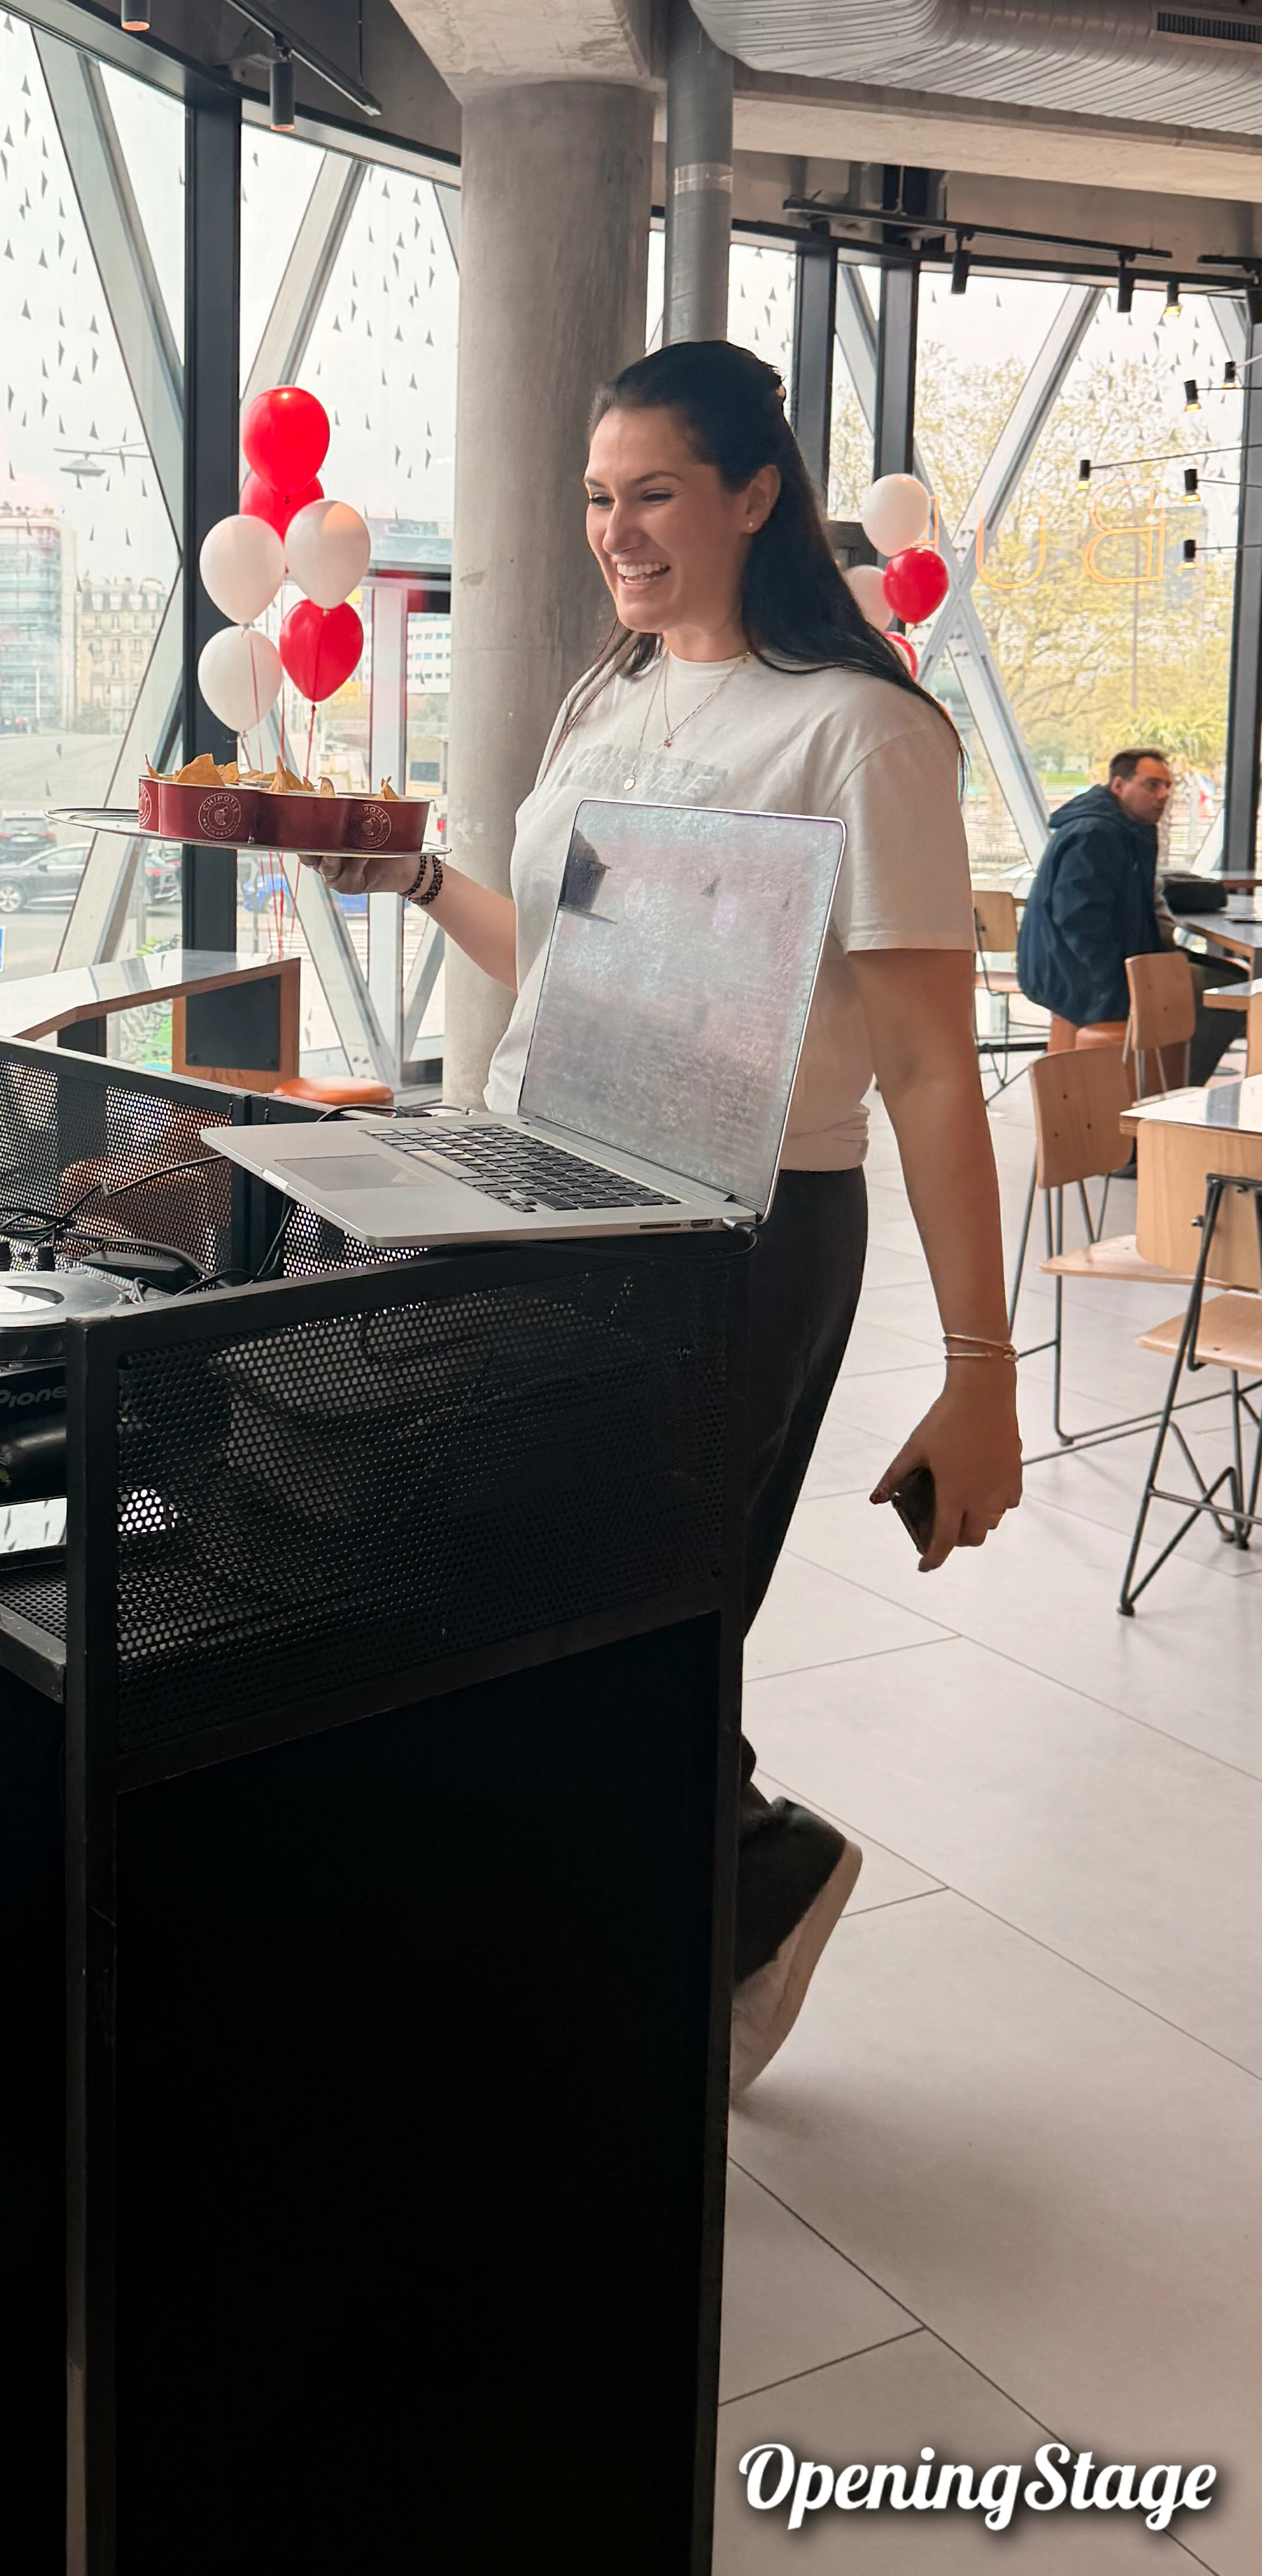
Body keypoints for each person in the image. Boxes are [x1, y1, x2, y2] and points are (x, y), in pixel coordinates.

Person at [315, 340, 1021, 2096]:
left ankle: (718, 1906)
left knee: (632, 1611)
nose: (615, 533)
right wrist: (409, 877)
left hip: (742, 1226)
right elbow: (558, 963)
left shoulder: (864, 734)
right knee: (529, 1590)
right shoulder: (605, 703)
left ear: (756, 495)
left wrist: (984, 1365)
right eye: (594, 499)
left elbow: (935, 1072)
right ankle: (714, 1896)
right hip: (554, 1184)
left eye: (652, 495)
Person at [1016, 749, 1239, 1082]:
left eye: (1167, 786)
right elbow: (1079, 921)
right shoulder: (1098, 834)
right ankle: (1170, 1098)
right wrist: (1119, 986)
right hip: (1074, 975)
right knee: (1227, 993)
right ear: (1118, 785)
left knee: (1229, 980)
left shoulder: (1119, 827)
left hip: (1070, 965)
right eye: (1152, 785)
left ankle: (1165, 1091)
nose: (1164, 795)